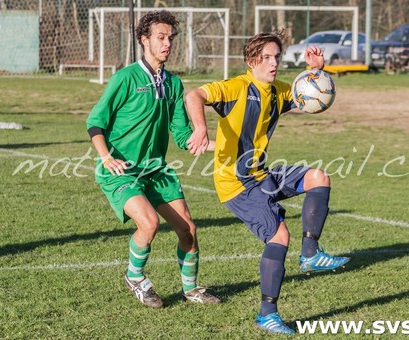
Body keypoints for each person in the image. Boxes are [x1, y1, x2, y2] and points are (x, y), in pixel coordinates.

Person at [185, 31, 350, 334]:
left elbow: (310, 99)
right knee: (280, 236)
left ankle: (311, 254)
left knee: (318, 177)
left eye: (277, 57)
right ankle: (267, 315)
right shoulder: (237, 87)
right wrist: (200, 128)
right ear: (252, 61)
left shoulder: (277, 91)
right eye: (268, 58)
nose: (274, 63)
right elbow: (193, 95)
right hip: (236, 183)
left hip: (262, 175)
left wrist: (316, 72)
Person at [86, 10, 219, 308]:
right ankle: (135, 277)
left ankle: (191, 288)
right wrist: (106, 157)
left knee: (188, 229)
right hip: (121, 170)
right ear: (144, 40)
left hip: (156, 170)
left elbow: (184, 137)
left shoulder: (173, 85)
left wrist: (225, 145)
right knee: (148, 223)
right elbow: (95, 123)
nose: (167, 43)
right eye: (160, 37)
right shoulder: (125, 78)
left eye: (170, 38)